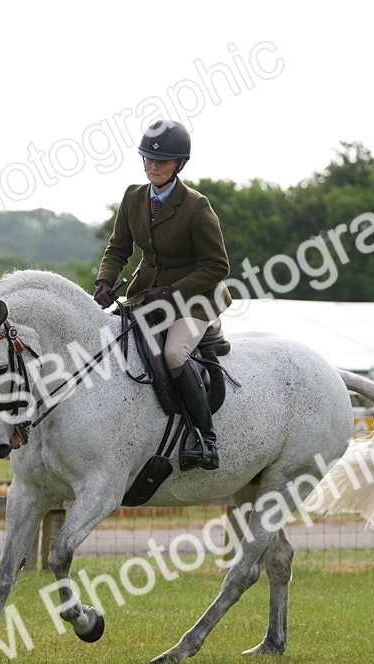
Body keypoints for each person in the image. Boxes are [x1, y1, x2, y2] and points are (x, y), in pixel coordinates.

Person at [94, 120, 232, 470]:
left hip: (195, 299)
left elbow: (218, 266)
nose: (153, 167)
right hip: (146, 293)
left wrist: (171, 290)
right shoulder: (133, 197)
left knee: (173, 354)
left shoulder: (197, 206)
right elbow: (118, 249)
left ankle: (205, 439)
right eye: (148, 159)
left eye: (162, 161)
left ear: (179, 164)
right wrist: (105, 282)